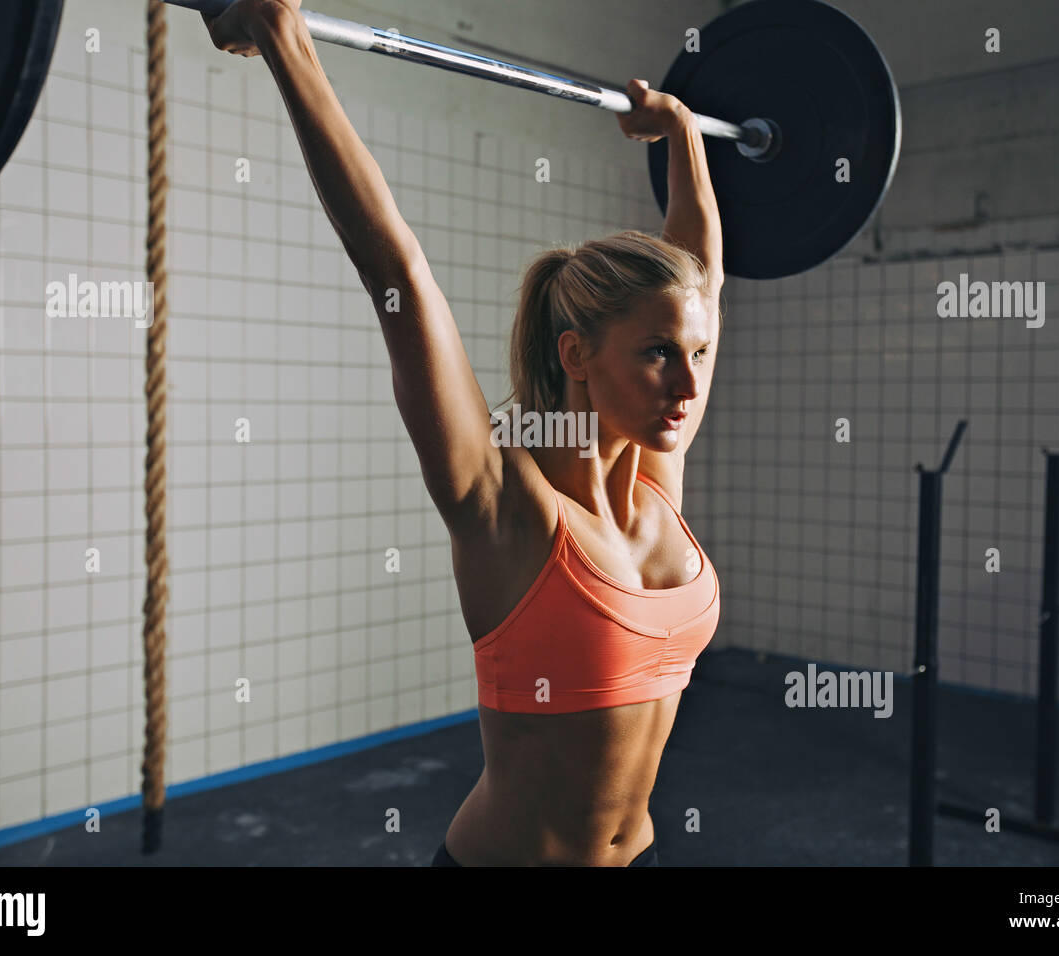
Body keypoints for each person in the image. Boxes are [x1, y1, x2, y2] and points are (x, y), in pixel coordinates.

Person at [200, 0, 724, 867]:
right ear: (578, 355)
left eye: (699, 352)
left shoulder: (657, 475)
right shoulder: (505, 507)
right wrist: (282, 38)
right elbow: (394, 266)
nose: (692, 382)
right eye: (661, 354)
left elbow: (702, 274)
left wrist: (682, 134)